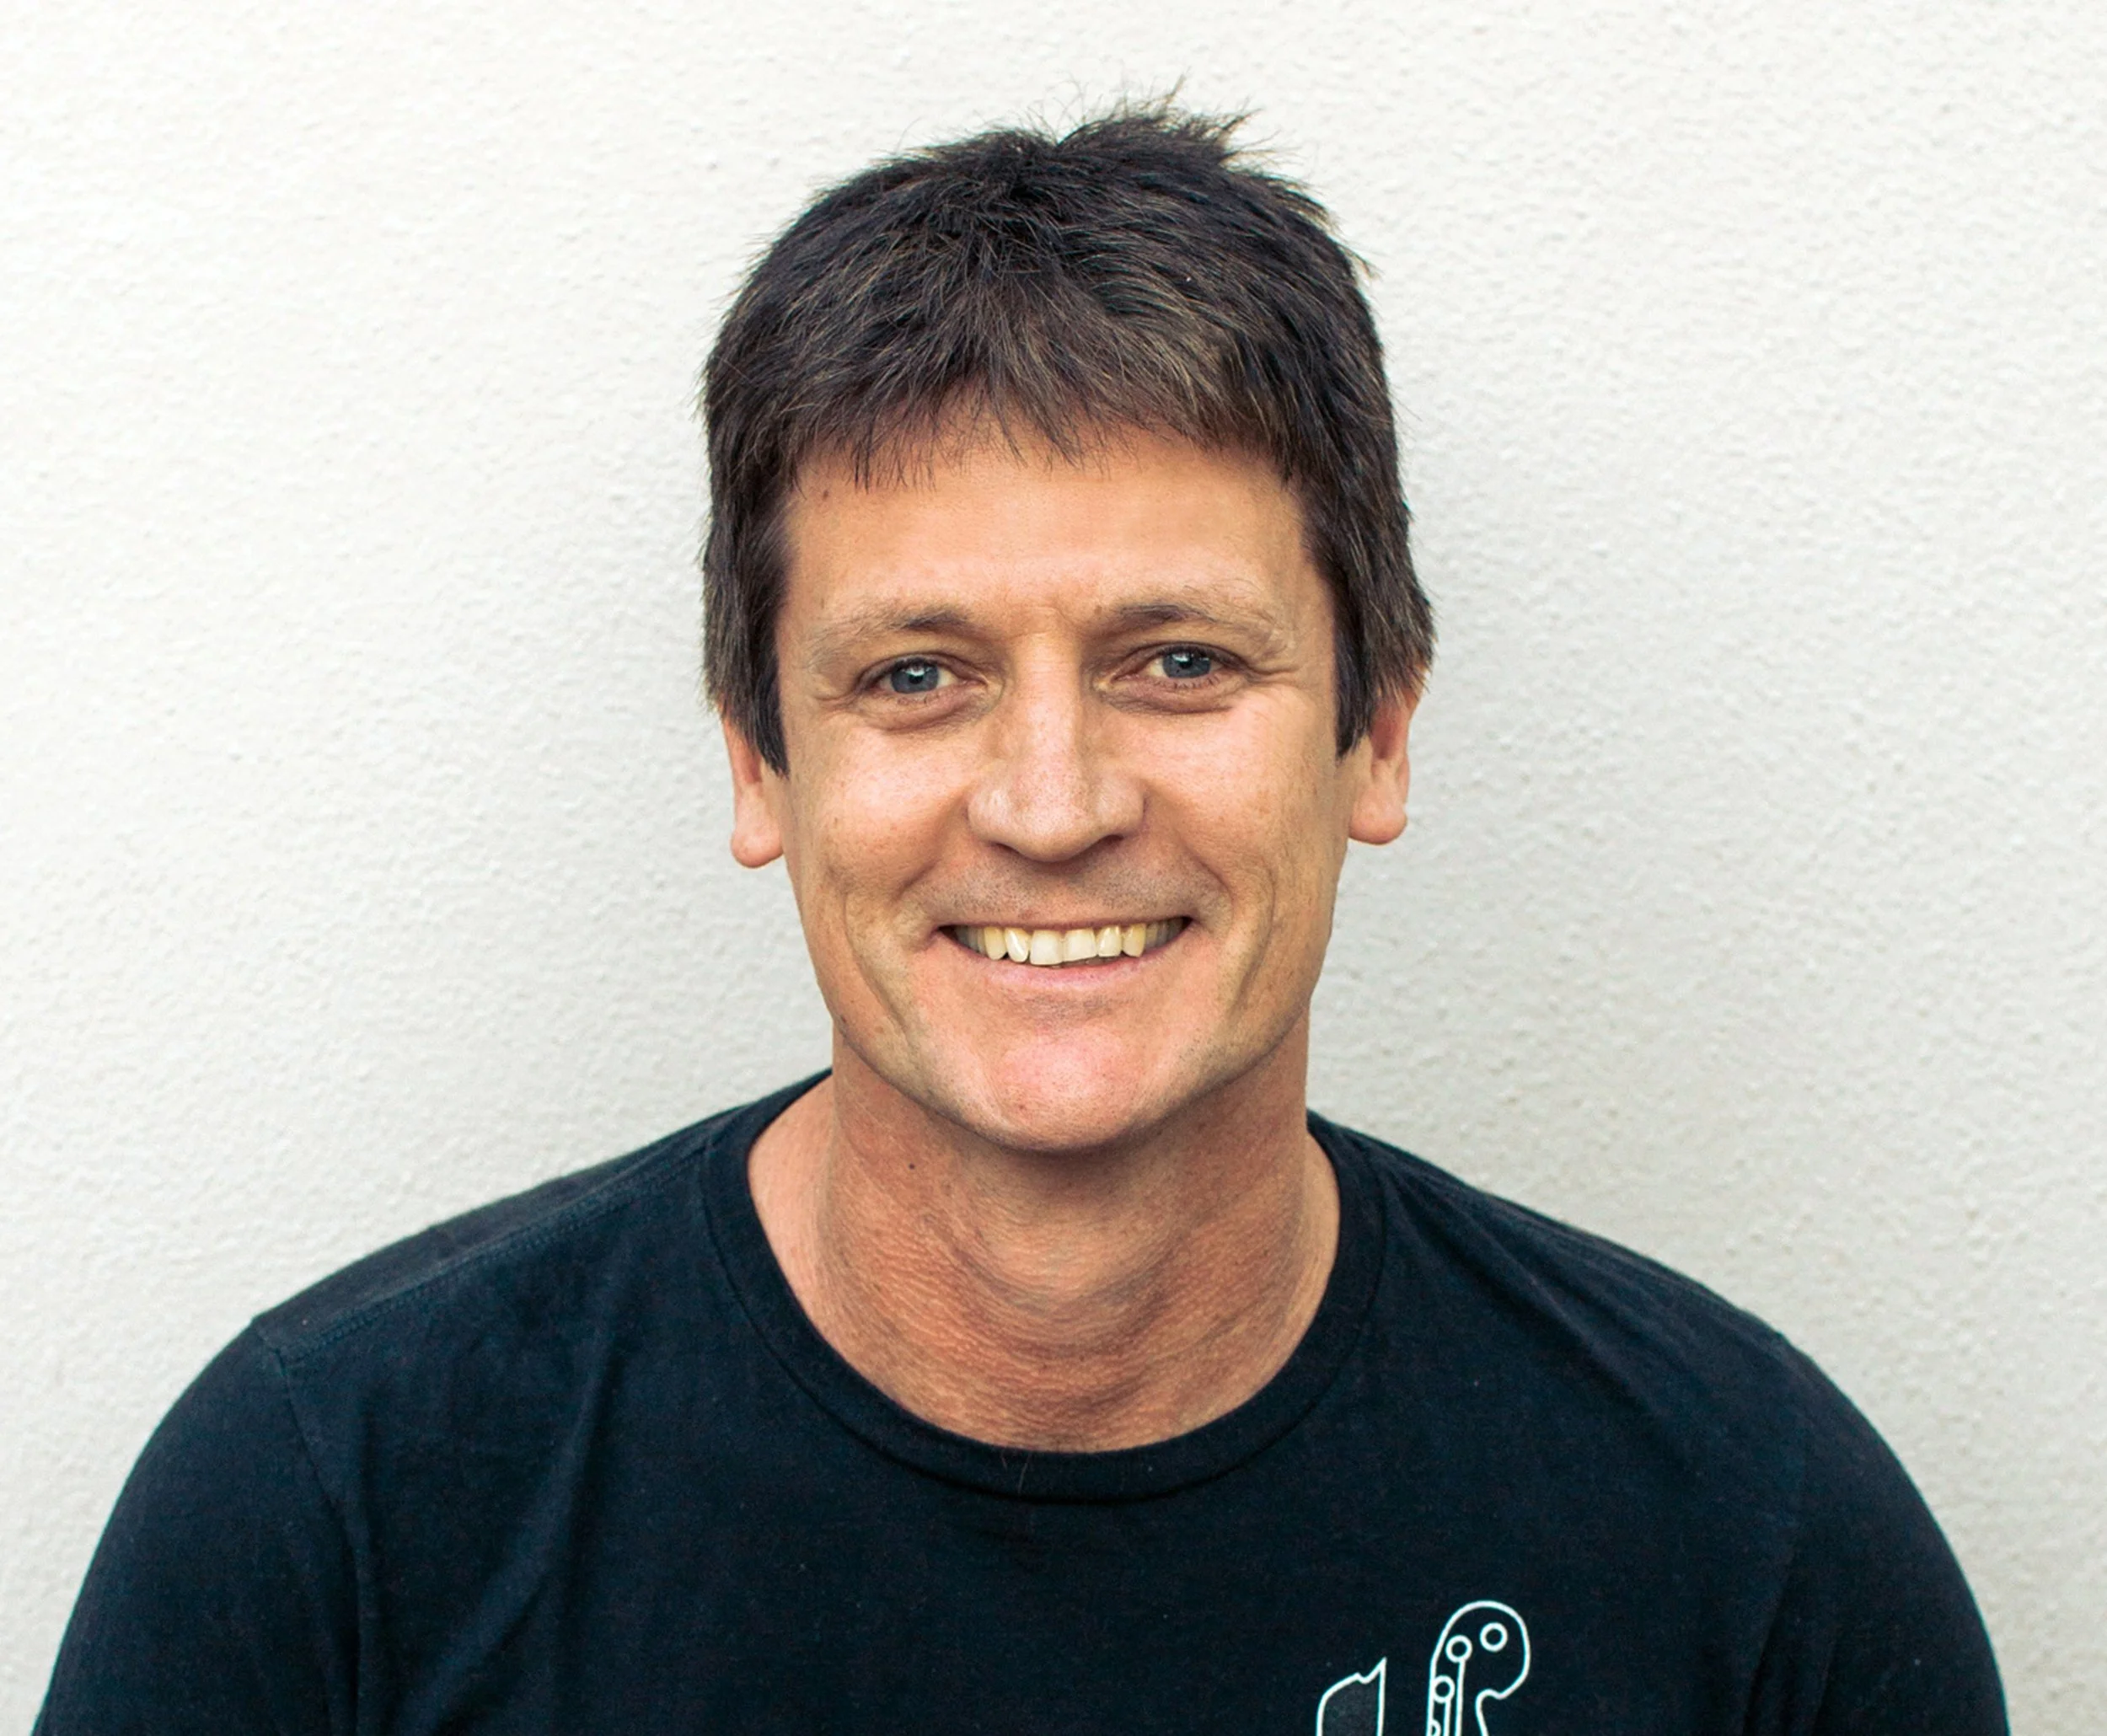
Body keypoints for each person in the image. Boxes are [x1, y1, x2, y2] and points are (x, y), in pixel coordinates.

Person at [36, 104, 2004, 1735]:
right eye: (915, 676)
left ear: (1376, 729)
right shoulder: (334, 1512)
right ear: (758, 761)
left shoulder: (1750, 1540)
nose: (1051, 806)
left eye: (1176, 660)